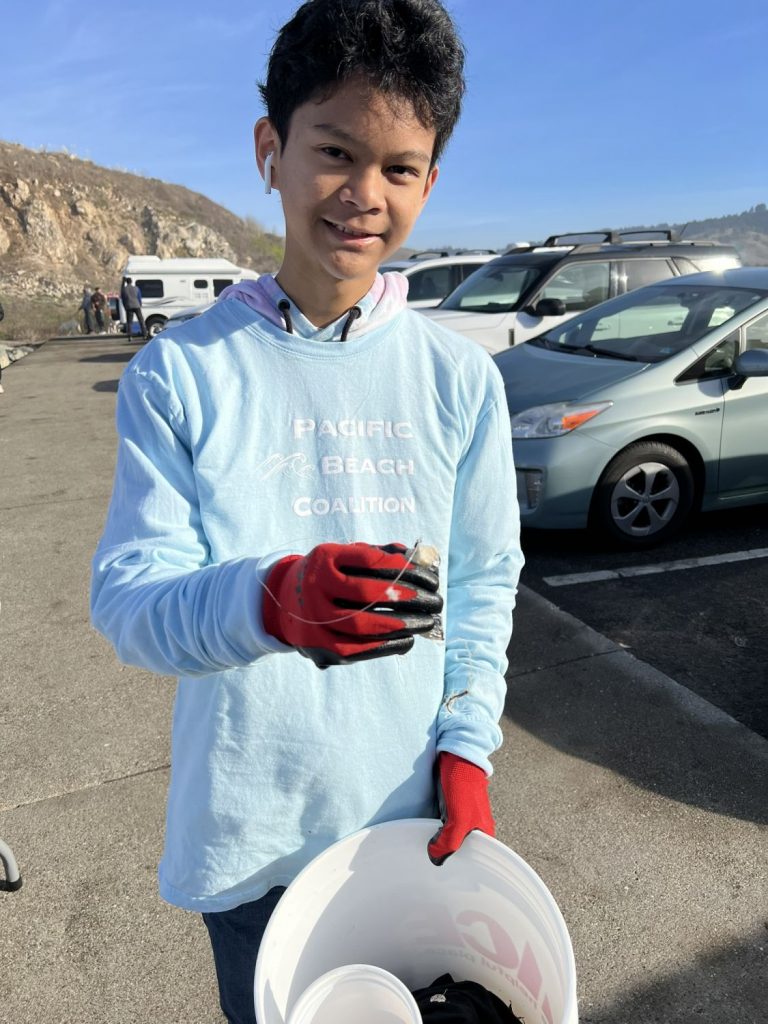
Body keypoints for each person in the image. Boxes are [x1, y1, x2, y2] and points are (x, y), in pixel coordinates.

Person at [91, 3, 523, 1022]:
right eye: (335, 151)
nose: (363, 196)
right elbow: (132, 603)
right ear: (271, 150)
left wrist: (466, 745)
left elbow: (482, 582)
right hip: (250, 850)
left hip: (408, 832)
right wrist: (272, 599)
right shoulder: (179, 375)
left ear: (430, 179)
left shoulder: (459, 378)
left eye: (401, 167)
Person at [120, 276, 149, 340]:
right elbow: (139, 297)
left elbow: (123, 299)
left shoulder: (124, 289)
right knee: (141, 320)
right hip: (137, 305)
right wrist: (140, 304)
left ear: (126, 282)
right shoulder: (136, 288)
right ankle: (144, 335)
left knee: (129, 322)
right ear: (131, 282)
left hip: (128, 306)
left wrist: (125, 307)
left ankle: (130, 336)